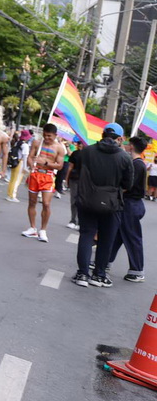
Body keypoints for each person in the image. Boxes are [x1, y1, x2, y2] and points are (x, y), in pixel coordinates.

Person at [72, 123, 133, 288]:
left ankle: (82, 274)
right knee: (106, 239)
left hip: (87, 201)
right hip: (112, 204)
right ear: (119, 138)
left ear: (102, 134)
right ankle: (99, 275)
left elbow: (77, 173)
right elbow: (128, 184)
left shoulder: (86, 151)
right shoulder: (125, 157)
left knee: (86, 235)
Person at [109, 135, 147, 283]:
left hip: (131, 204)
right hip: (129, 204)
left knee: (132, 237)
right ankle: (105, 261)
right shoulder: (136, 163)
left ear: (131, 146)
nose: (124, 145)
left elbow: (127, 186)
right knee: (117, 235)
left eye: (127, 143)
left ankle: (137, 270)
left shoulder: (137, 165)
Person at [22, 124, 66, 242]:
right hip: (35, 175)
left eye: (49, 136)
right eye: (45, 135)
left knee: (46, 203)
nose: (46, 138)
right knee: (32, 202)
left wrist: (46, 163)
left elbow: (60, 166)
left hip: (48, 177)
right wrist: (31, 165)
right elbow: (30, 157)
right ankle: (32, 228)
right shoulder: (37, 143)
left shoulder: (59, 148)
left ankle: (43, 230)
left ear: (55, 135)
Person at [64, 140, 86, 229]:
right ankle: (73, 220)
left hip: (84, 181)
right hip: (75, 179)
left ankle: (79, 221)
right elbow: (70, 167)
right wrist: (66, 179)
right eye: (79, 144)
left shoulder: (90, 155)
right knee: (74, 200)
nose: (80, 145)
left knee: (81, 201)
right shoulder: (75, 154)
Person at [5, 129, 31, 202]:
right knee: (17, 180)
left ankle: (9, 194)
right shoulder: (25, 145)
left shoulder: (17, 143)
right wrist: (25, 167)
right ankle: (12, 196)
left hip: (15, 162)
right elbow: (25, 156)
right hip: (20, 163)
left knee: (12, 179)